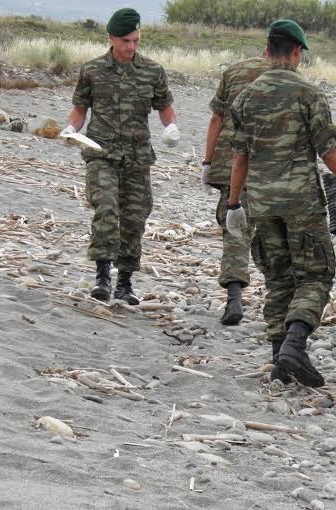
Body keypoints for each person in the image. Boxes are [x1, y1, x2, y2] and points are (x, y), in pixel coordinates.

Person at [226, 19, 336, 387]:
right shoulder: (308, 93)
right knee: (315, 275)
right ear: (296, 52)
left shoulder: (245, 97)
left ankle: (280, 360)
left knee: (277, 278)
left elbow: (239, 157)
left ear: (267, 50)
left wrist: (233, 205)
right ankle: (294, 345)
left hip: (260, 202)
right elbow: (329, 151)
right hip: (301, 202)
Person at [62, 8, 180, 304]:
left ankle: (125, 282)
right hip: (100, 151)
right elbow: (80, 108)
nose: (131, 47)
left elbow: (165, 106)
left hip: (138, 156)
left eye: (136, 41)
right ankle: (102, 275)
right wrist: (71, 129)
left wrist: (172, 126)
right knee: (106, 207)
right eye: (126, 41)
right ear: (111, 38)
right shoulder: (92, 70)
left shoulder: (153, 71)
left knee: (135, 217)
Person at [202, 56, 271, 325]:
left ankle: (234, 296)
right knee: (273, 231)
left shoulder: (234, 71)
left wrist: (207, 163)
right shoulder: (290, 78)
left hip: (231, 163)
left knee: (235, 228)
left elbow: (216, 120)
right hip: (273, 167)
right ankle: (279, 300)